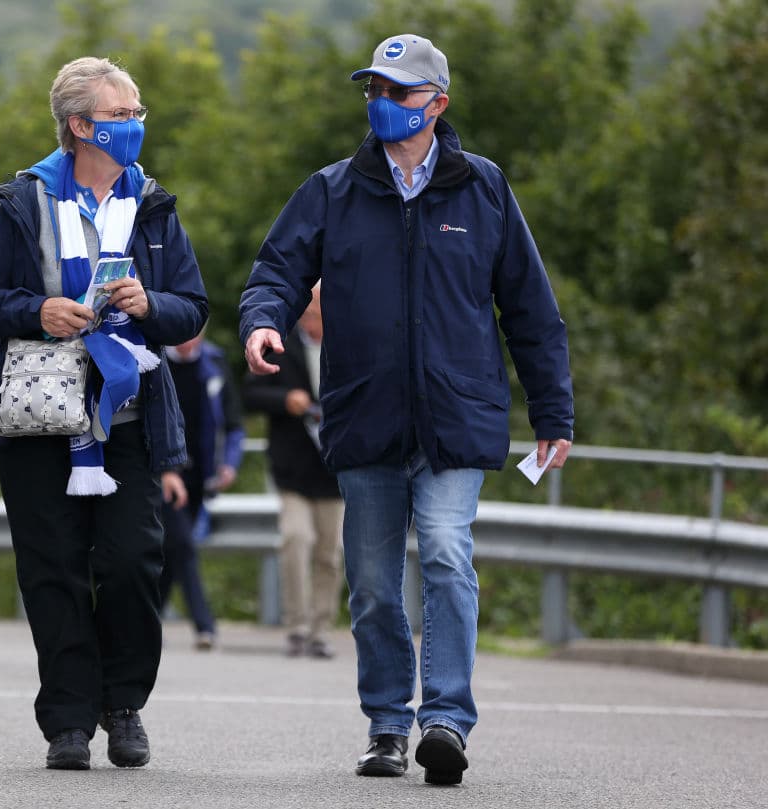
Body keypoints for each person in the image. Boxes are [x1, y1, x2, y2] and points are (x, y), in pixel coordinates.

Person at [239, 34, 574, 786]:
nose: (383, 104)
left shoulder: (485, 190)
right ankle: (387, 722)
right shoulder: (333, 189)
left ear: (438, 104)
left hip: (457, 418)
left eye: (399, 92)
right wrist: (263, 320)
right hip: (366, 418)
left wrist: (554, 412)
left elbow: (531, 311)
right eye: (374, 92)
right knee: (372, 582)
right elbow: (277, 269)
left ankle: (446, 719)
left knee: (449, 553)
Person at [0, 56, 208, 771]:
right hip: (39, 416)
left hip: (126, 417)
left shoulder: (154, 204)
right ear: (80, 125)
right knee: (52, 569)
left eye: (137, 113)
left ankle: (122, 702)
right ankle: (68, 719)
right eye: (124, 115)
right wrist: (37, 309)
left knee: (133, 562)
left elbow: (193, 306)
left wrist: (149, 304)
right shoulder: (25, 200)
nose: (137, 125)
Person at [242, 283, 344, 659]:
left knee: (329, 553)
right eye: (310, 312)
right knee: (296, 539)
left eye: (320, 312)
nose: (314, 319)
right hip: (293, 467)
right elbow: (250, 394)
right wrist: (286, 400)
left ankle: (321, 629)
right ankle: (298, 627)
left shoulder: (346, 342)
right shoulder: (280, 343)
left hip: (334, 469)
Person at [160, 331, 245, 651]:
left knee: (173, 550)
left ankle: (148, 620)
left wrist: (230, 465)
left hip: (199, 477)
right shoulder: (155, 359)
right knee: (183, 543)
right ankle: (204, 625)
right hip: (166, 472)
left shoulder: (215, 363)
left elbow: (233, 423)